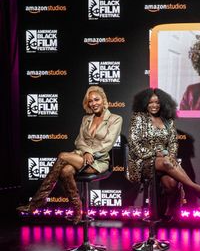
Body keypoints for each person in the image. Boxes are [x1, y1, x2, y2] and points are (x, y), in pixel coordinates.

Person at [17, 86, 123, 224]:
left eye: (96, 99)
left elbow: (108, 143)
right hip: (81, 156)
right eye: (90, 101)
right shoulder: (86, 119)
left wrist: (90, 152)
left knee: (62, 156)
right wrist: (86, 151)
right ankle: (77, 210)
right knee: (66, 170)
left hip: (99, 161)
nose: (93, 103)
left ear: (104, 100)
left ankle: (38, 200)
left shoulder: (115, 119)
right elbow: (79, 140)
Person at [127, 88, 200, 218]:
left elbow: (173, 142)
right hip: (141, 163)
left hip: (164, 161)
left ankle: (169, 212)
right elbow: (134, 145)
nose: (154, 105)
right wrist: (156, 154)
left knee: (172, 182)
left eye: (157, 102)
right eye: (150, 102)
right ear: (144, 103)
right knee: (165, 160)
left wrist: (171, 155)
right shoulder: (138, 119)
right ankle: (196, 188)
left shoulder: (168, 120)